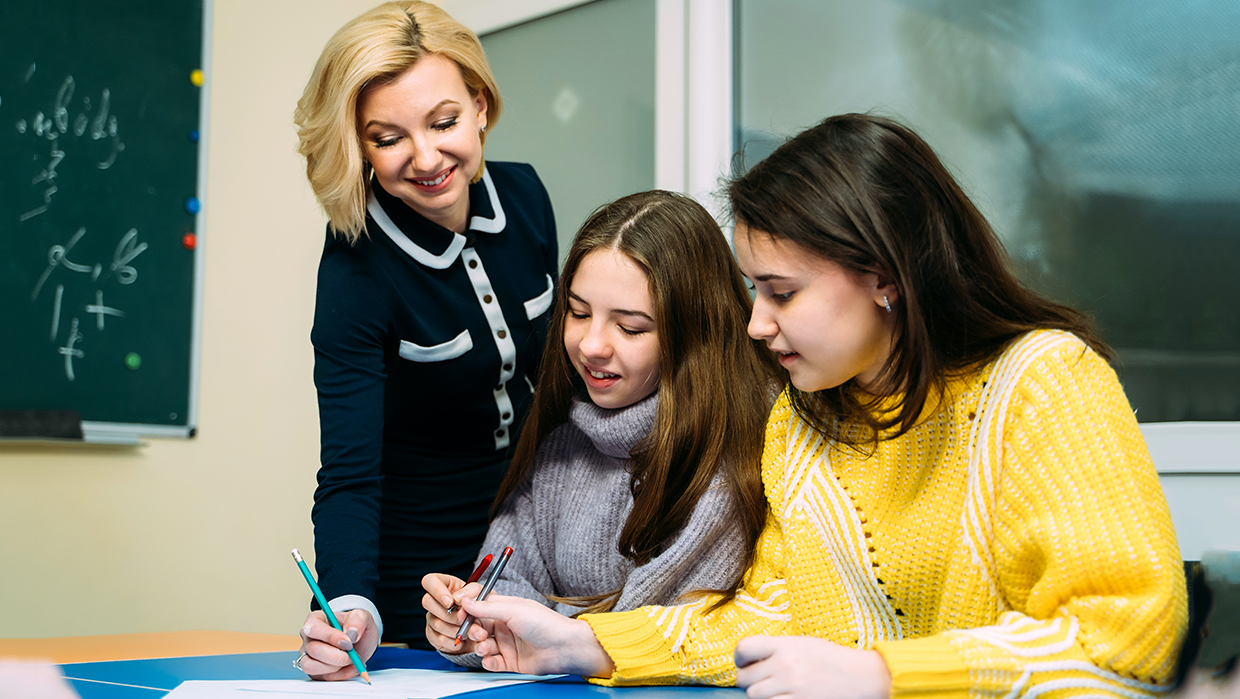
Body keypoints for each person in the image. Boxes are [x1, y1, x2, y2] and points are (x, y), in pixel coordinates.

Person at [454, 114, 1189, 699]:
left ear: (885, 277)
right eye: (753, 292)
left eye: (782, 292)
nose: (755, 324)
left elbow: (1130, 640)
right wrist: (588, 644)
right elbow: (768, 613)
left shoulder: (1044, 382)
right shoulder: (802, 420)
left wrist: (884, 675)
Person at [290, 0, 558, 676]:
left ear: (480, 107)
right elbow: (350, 472)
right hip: (420, 581)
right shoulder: (356, 265)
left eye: (444, 122)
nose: (427, 156)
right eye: (389, 137)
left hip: (532, 551)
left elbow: (562, 380)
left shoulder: (527, 196)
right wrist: (351, 604)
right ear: (359, 145)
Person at [420, 190, 783, 665]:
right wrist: (469, 623)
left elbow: (654, 638)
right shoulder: (563, 442)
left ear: (695, 335)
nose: (591, 345)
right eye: (578, 312)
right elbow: (505, 591)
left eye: (630, 327)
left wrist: (543, 625)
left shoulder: (736, 457)